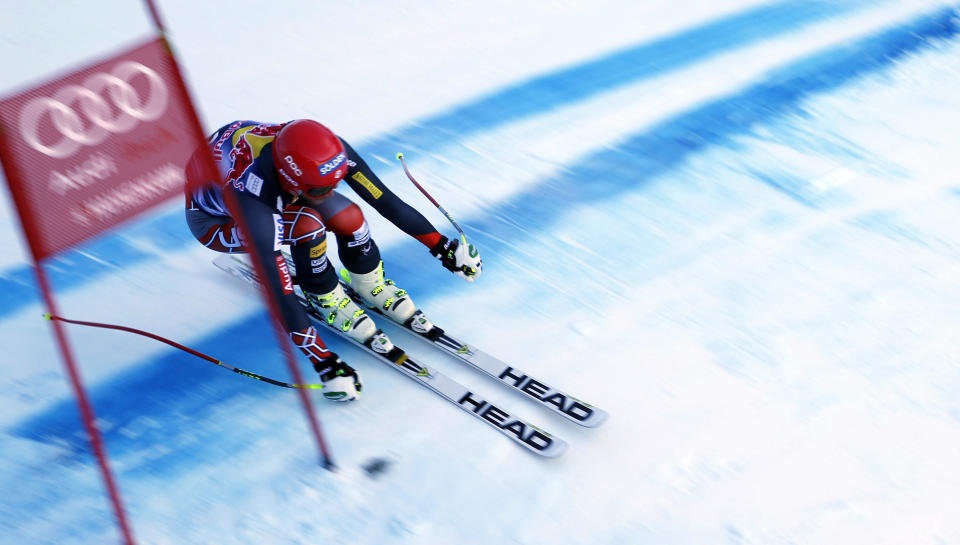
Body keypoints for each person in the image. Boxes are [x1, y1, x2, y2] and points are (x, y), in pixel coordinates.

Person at [184, 119, 482, 401]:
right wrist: (324, 361)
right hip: (214, 220)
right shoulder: (254, 196)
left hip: (269, 172)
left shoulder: (329, 152)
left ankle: (370, 284)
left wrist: (442, 247)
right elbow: (280, 289)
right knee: (307, 225)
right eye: (321, 188)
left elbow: (385, 200)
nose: (332, 191)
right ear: (292, 181)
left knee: (349, 215)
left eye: (337, 181)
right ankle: (323, 296)